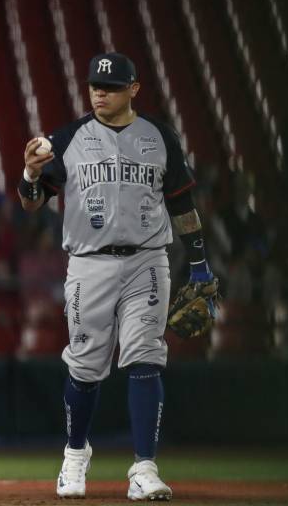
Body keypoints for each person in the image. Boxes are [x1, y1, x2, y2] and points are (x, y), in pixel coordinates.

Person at [18, 52, 216, 501]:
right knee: (85, 365)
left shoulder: (160, 137)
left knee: (146, 356)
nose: (100, 93)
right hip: (89, 262)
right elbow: (32, 202)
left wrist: (199, 262)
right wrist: (30, 172)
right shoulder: (67, 138)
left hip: (148, 259)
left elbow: (182, 205)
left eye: (110, 87)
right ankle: (75, 454)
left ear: (134, 89)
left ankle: (144, 467)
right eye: (95, 86)